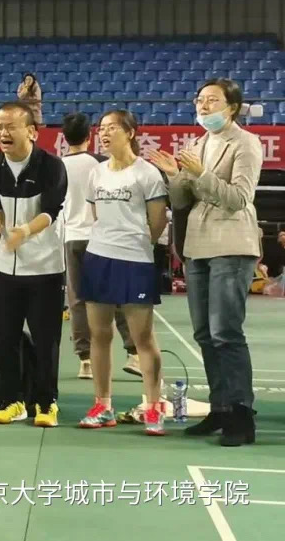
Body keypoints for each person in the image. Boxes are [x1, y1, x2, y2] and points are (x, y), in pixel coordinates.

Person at [148, 78, 263, 446]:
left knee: (226, 332)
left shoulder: (245, 143)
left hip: (231, 243)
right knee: (203, 333)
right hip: (197, 245)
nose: (204, 105)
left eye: (212, 100)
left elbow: (239, 198)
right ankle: (221, 408)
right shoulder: (196, 145)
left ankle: (242, 414)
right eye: (200, 99)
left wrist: (200, 173)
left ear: (232, 107)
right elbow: (183, 201)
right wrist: (174, 176)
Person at [0, 102, 67, 428]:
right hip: (6, 268)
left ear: (31, 131)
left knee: (45, 340)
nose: (3, 133)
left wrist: (21, 233)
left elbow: (50, 212)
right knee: (5, 339)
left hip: (45, 267)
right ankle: (11, 400)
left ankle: (46, 403)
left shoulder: (51, 166)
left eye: (10, 126)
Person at [77, 110, 168, 435]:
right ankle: (103, 406)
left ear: (130, 133)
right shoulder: (97, 173)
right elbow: (96, 214)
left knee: (143, 338)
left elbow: (158, 221)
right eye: (101, 128)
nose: (103, 133)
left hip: (135, 262)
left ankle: (153, 408)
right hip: (98, 258)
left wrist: (137, 243)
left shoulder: (148, 174)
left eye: (112, 128)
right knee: (100, 335)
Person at [59, 112, 140, 380]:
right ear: (90, 135)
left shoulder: (57, 166)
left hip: (72, 237)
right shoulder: (102, 164)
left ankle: (85, 361)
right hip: (102, 237)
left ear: (64, 137)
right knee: (116, 295)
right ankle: (134, 354)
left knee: (77, 300)